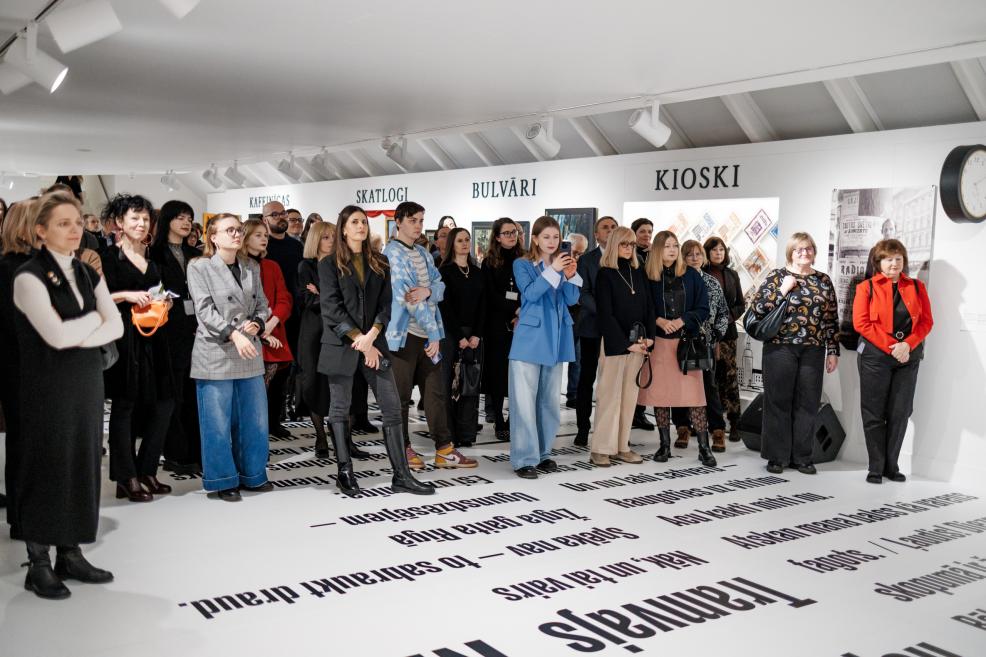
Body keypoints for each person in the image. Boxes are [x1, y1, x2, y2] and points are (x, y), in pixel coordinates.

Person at [13, 191, 123, 599]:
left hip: (86, 380)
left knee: (81, 464)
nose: (75, 230)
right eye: (63, 223)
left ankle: (70, 552)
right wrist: (95, 318)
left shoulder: (87, 272)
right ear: (40, 230)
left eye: (77, 222)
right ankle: (38, 562)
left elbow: (118, 328)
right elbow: (56, 336)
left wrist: (89, 324)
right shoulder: (27, 276)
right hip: (46, 385)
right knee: (47, 467)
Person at [318, 205, 434, 496]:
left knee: (393, 407)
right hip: (343, 345)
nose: (361, 226)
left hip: (374, 342)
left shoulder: (380, 261)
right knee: (340, 409)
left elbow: (387, 305)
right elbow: (331, 309)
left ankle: (401, 475)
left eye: (363, 222)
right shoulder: (328, 264)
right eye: (354, 222)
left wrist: (371, 336)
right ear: (343, 228)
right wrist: (360, 339)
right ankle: (344, 473)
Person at [187, 213, 277, 501]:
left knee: (255, 419)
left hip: (249, 350)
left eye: (239, 230)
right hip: (216, 352)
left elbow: (263, 304)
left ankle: (253, 474)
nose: (237, 235)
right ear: (212, 236)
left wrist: (259, 323)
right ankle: (224, 480)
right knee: (216, 422)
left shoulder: (251, 265)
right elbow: (204, 311)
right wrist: (234, 333)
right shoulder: (199, 267)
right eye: (229, 230)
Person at [383, 201, 476, 469]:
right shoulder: (392, 253)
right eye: (413, 220)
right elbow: (408, 298)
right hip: (404, 336)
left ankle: (444, 449)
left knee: (435, 393)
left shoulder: (424, 253)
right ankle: (402, 448)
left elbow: (439, 286)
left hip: (429, 335)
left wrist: (428, 292)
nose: (418, 225)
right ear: (398, 221)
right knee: (400, 396)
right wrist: (434, 332)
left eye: (421, 220)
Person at [100, 194, 176, 502]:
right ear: (119, 222)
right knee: (125, 406)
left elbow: (157, 293)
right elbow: (97, 297)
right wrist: (126, 296)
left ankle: (146, 471)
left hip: (154, 337)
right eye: (134, 218)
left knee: (164, 402)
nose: (142, 224)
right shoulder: (107, 258)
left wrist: (164, 301)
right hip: (124, 338)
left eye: (145, 219)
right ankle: (126, 476)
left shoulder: (152, 261)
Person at [748, 232, 839, 475]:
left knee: (808, 404)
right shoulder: (778, 276)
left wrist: (833, 350)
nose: (804, 253)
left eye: (808, 249)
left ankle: (802, 457)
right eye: (799, 249)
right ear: (791, 252)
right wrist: (782, 291)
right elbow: (757, 308)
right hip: (780, 347)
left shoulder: (823, 280)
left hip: (813, 349)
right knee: (778, 402)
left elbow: (830, 318)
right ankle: (777, 457)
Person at [853, 239, 932, 484]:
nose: (894, 263)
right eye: (888, 259)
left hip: (908, 357)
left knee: (900, 412)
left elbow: (926, 322)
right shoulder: (866, 288)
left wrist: (907, 345)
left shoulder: (917, 287)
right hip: (875, 358)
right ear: (878, 262)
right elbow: (861, 323)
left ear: (904, 261)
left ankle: (891, 465)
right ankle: (875, 467)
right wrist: (892, 347)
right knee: (874, 412)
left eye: (898, 259)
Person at [508, 216, 582, 479]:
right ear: (536, 239)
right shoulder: (523, 264)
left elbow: (572, 299)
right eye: (546, 237)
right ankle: (523, 458)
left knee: (549, 402)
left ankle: (543, 453)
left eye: (555, 237)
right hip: (530, 340)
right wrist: (553, 271)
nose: (551, 242)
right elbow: (529, 294)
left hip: (557, 339)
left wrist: (571, 276)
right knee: (524, 403)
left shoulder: (562, 265)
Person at [638, 231, 714, 466]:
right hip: (659, 344)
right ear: (658, 249)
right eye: (667, 246)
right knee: (661, 396)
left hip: (686, 344)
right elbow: (642, 307)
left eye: (675, 245)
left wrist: (683, 320)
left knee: (696, 397)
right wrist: (659, 321)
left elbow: (704, 308)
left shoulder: (691, 275)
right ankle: (664, 446)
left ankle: (704, 448)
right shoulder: (647, 275)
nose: (672, 250)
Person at [590, 227, 655, 466]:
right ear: (614, 245)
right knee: (609, 397)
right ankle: (600, 448)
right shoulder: (605, 274)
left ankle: (621, 446)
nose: (628, 249)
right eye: (624, 244)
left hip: (639, 343)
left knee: (629, 398)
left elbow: (650, 308)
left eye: (631, 245)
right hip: (616, 344)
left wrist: (649, 339)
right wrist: (628, 345)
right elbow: (605, 315)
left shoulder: (639, 273)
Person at [149, 200, 203, 474]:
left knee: (195, 394)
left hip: (199, 331)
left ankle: (195, 451)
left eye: (189, 217)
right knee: (174, 395)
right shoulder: (154, 254)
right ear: (168, 220)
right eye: (180, 217)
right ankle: (175, 453)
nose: (186, 222)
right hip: (168, 332)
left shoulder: (196, 253)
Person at [0, 198, 39, 528]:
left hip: (39, 367)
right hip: (21, 367)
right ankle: (23, 515)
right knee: (25, 442)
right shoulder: (10, 268)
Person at [673, 240, 730, 451]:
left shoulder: (713, 282)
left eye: (698, 254)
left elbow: (723, 313)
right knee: (680, 387)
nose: (695, 257)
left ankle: (717, 430)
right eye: (690, 254)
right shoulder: (677, 281)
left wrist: (717, 333)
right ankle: (682, 428)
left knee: (709, 387)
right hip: (680, 341)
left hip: (705, 341)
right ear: (683, 257)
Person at [240, 220, 295, 438]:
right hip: (248, 335)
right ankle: (254, 435)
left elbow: (284, 299)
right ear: (245, 238)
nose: (264, 239)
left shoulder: (272, 266)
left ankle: (271, 424)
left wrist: (271, 324)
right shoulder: (238, 266)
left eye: (265, 235)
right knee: (254, 392)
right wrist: (261, 328)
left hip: (274, 332)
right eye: (258, 235)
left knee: (276, 386)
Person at [438, 227, 486, 447]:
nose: (465, 243)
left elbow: (482, 307)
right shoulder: (444, 272)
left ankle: (467, 434)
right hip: (450, 335)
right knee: (449, 385)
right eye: (460, 240)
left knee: (470, 385)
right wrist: (459, 337)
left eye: (467, 240)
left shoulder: (477, 273)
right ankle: (449, 435)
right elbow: (445, 308)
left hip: (474, 336)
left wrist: (476, 334)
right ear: (452, 245)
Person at [573, 216, 618, 446]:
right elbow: (583, 293)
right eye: (605, 228)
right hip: (592, 327)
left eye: (614, 227)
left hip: (618, 331)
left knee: (612, 381)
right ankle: (582, 428)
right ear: (596, 235)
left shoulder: (627, 258)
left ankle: (610, 429)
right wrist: (606, 313)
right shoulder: (587, 261)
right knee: (587, 379)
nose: (610, 231)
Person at [261, 201, 304, 428]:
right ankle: (266, 419)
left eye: (283, 213)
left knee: (286, 370)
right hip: (268, 319)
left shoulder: (296, 247)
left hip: (293, 314)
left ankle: (277, 418)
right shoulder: (264, 250)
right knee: (268, 372)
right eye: (274, 214)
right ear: (265, 219)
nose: (281, 218)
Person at [481, 217, 524, 441]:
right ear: (497, 237)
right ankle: (498, 419)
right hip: (497, 325)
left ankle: (512, 419)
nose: (511, 236)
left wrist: (521, 312)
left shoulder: (525, 259)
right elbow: (490, 295)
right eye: (506, 233)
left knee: (517, 375)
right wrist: (514, 311)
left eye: (514, 232)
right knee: (498, 375)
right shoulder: (489, 262)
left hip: (522, 323)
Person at [703, 236, 745, 441]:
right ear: (707, 252)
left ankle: (735, 422)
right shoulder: (701, 274)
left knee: (728, 377)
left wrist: (725, 318)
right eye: (714, 250)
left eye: (721, 250)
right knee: (708, 379)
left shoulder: (732, 274)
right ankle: (711, 422)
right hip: (704, 334)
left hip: (727, 332)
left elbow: (740, 304)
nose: (719, 253)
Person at [564, 233, 588, 409]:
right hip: (562, 316)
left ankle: (573, 394)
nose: (577, 257)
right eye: (575, 252)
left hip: (579, 317)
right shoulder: (556, 264)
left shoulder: (583, 265)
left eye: (581, 253)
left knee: (577, 358)